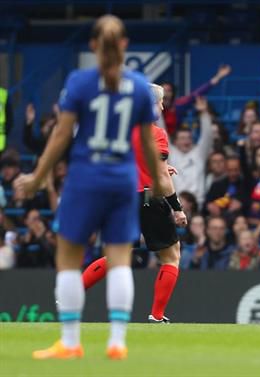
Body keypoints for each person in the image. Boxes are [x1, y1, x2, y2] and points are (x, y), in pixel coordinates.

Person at [14, 15, 160, 360]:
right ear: (124, 45)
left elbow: (62, 134)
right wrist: (155, 182)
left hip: (85, 179)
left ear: (93, 45)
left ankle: (70, 340)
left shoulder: (80, 83)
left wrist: (37, 176)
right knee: (121, 259)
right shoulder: (140, 86)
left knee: (69, 259)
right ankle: (117, 341)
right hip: (123, 181)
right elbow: (149, 145)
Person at [80, 83, 187, 324]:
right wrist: (177, 208)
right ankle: (156, 315)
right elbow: (160, 178)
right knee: (170, 257)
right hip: (149, 196)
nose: (162, 106)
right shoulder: (156, 133)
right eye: (160, 102)